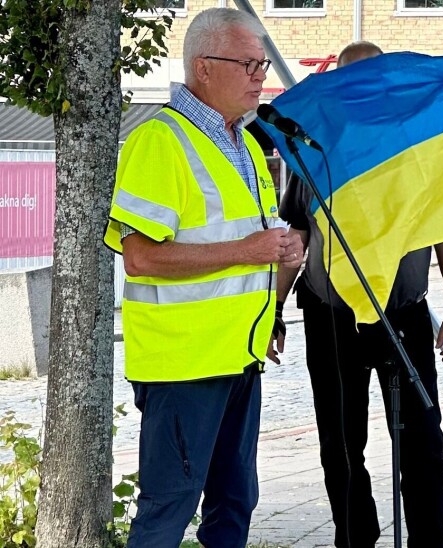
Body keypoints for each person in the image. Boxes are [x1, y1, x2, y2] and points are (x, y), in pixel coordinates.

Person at [103, 8, 302, 547]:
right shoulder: (160, 142)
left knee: (235, 505)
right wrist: (250, 250)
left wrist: (285, 246)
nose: (261, 76)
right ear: (204, 67)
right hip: (184, 366)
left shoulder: (245, 145)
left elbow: (255, 235)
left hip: (239, 357)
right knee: (167, 513)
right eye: (249, 64)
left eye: (262, 64)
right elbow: (140, 256)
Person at [270, 40, 443, 548]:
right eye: (348, 79)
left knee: (423, 439)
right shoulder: (314, 147)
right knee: (340, 441)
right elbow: (297, 235)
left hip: (403, 311)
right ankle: (355, 537)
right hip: (330, 314)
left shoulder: (417, 144)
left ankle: (429, 541)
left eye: (369, 77)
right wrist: (273, 310)